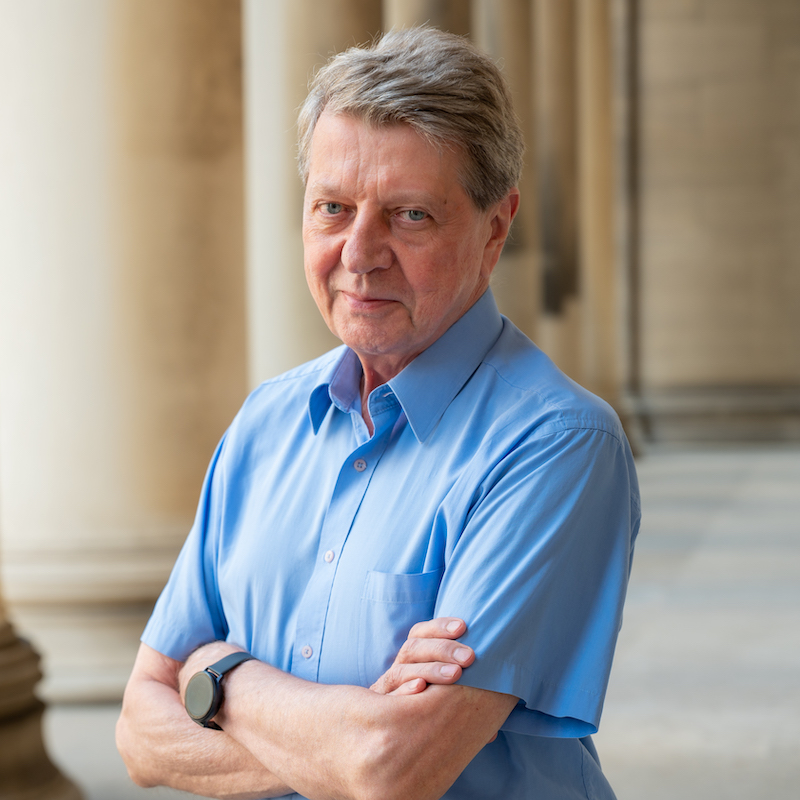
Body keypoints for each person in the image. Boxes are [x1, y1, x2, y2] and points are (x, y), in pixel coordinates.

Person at [116, 26, 640, 800]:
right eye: (332, 207)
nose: (359, 253)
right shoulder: (265, 424)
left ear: (495, 228)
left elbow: (393, 769)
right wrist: (349, 732)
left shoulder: (558, 446)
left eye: (410, 216)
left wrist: (219, 680)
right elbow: (137, 732)